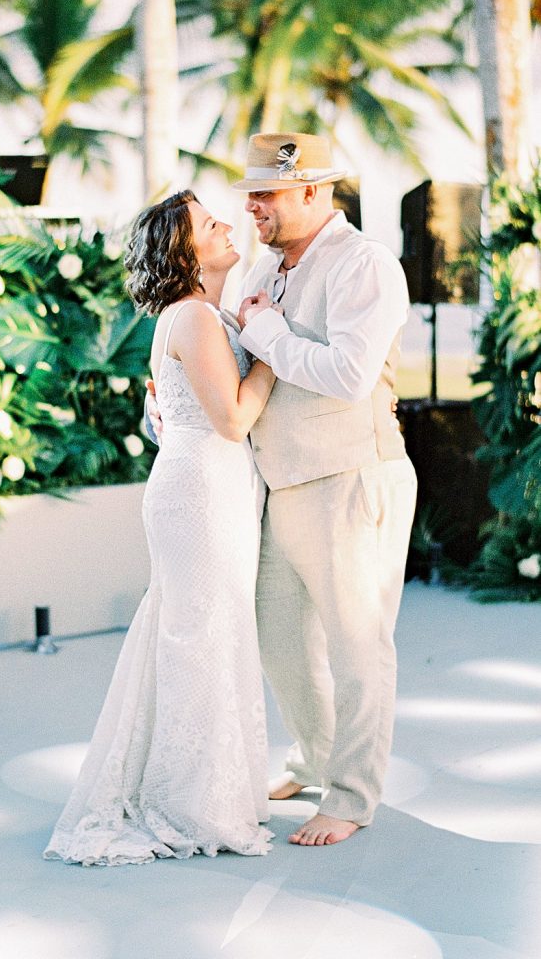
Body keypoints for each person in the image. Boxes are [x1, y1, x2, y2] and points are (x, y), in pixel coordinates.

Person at [44, 190, 276, 866]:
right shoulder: (197, 318)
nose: (228, 224)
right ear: (185, 253)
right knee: (200, 635)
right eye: (209, 225)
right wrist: (266, 350)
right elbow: (233, 419)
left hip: (208, 489)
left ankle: (204, 788)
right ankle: (192, 803)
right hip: (201, 494)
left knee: (204, 630)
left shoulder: (202, 315)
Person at [230, 131, 417, 846]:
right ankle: (312, 757)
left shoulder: (364, 264)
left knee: (357, 647)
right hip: (283, 483)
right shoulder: (266, 267)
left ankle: (351, 795)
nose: (252, 207)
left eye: (266, 194)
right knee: (277, 637)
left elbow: (347, 374)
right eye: (250, 194)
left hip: (350, 479)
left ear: (312, 191)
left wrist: (268, 331)